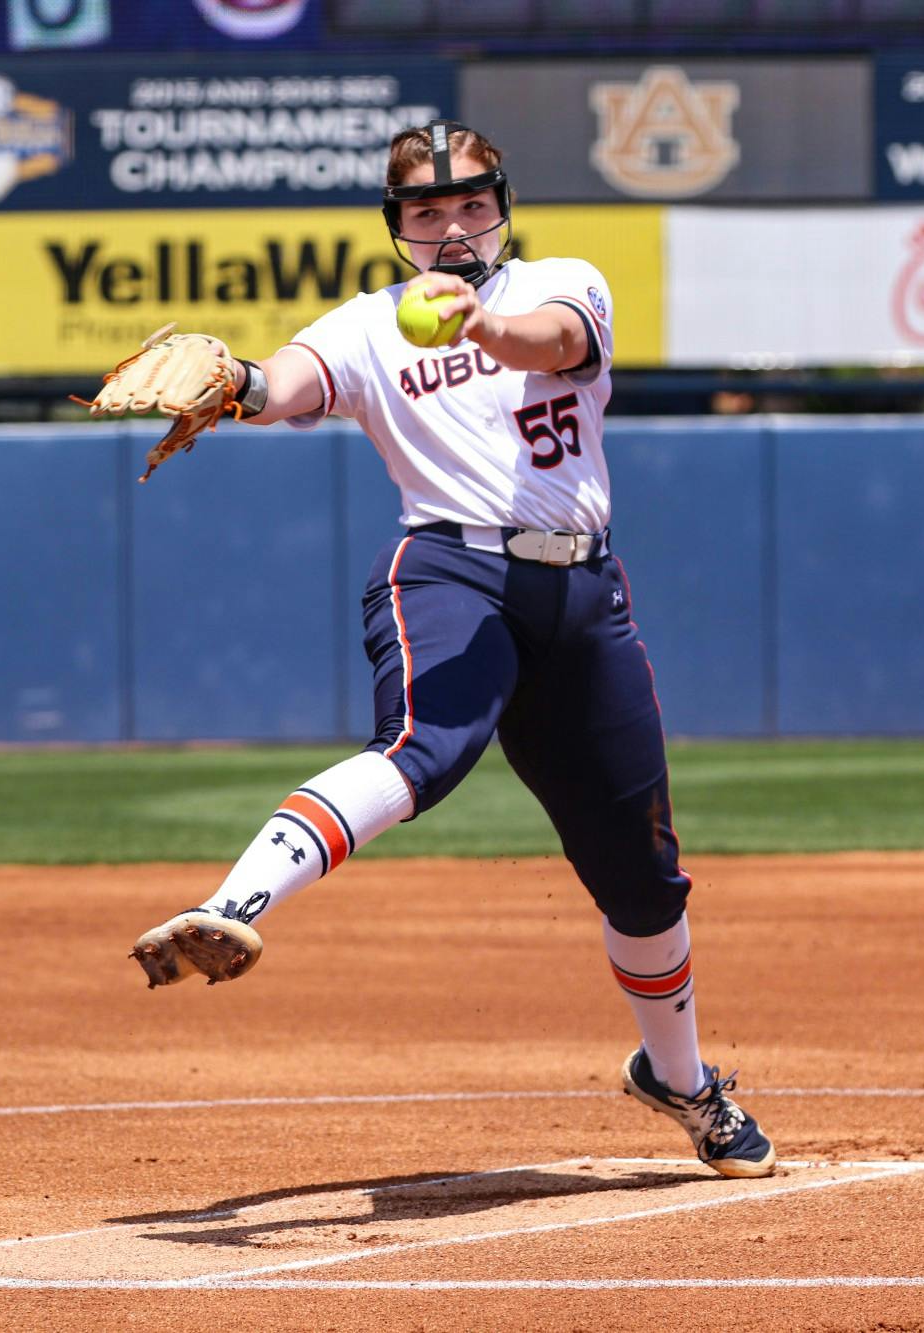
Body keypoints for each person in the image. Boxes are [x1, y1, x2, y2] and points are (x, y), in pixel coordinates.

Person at [118, 120, 775, 1178]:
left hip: (582, 594)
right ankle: (230, 905)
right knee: (423, 748)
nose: (453, 226)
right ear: (397, 231)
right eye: (427, 212)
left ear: (501, 209)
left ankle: (681, 1083)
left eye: (471, 204)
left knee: (642, 880)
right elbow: (286, 385)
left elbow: (550, 342)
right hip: (449, 571)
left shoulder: (563, 282)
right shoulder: (368, 327)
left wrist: (478, 322)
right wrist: (236, 377)